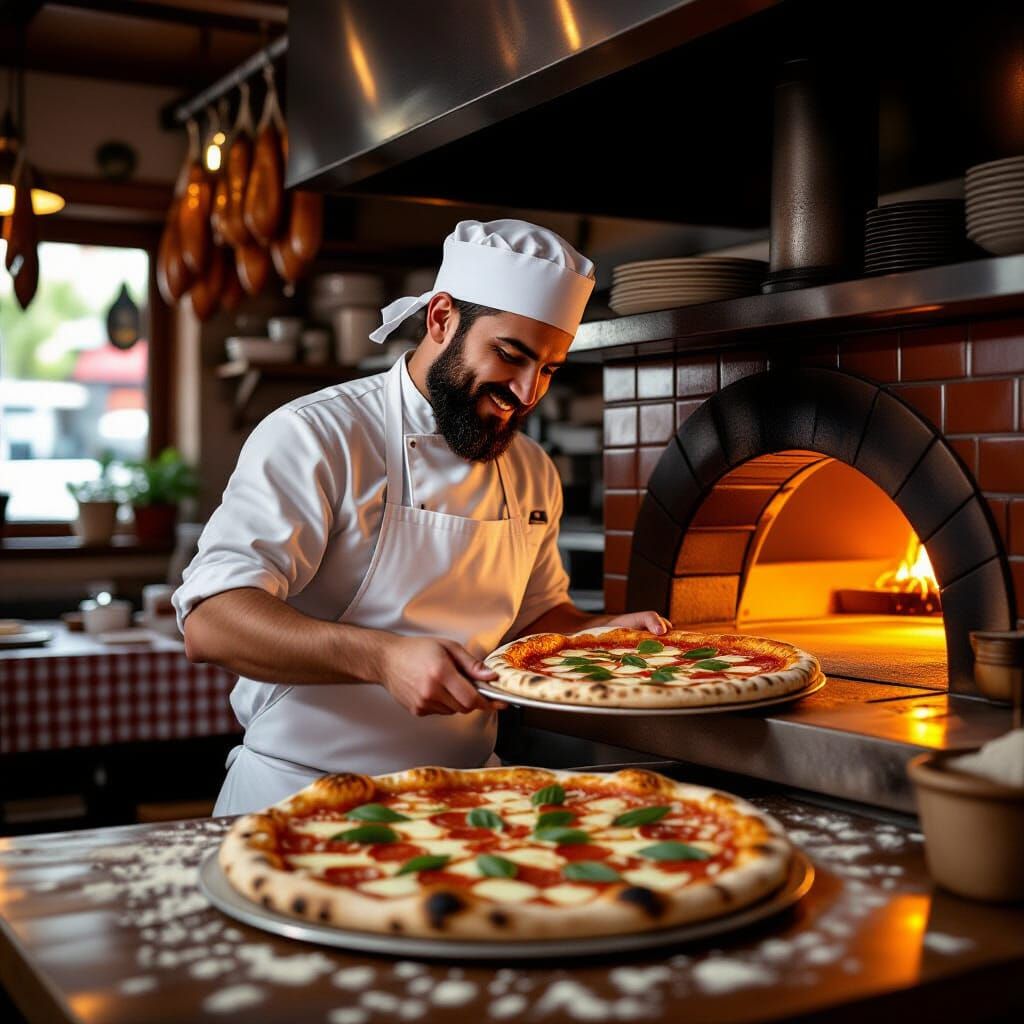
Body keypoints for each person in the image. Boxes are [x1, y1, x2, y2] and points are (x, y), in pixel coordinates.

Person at [174, 218, 671, 815]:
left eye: (548, 369)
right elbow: (212, 622)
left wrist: (599, 636)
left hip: (466, 799)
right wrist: (383, 658)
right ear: (441, 319)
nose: (527, 392)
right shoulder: (316, 435)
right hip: (301, 796)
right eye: (510, 355)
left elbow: (536, 618)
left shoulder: (533, 467)